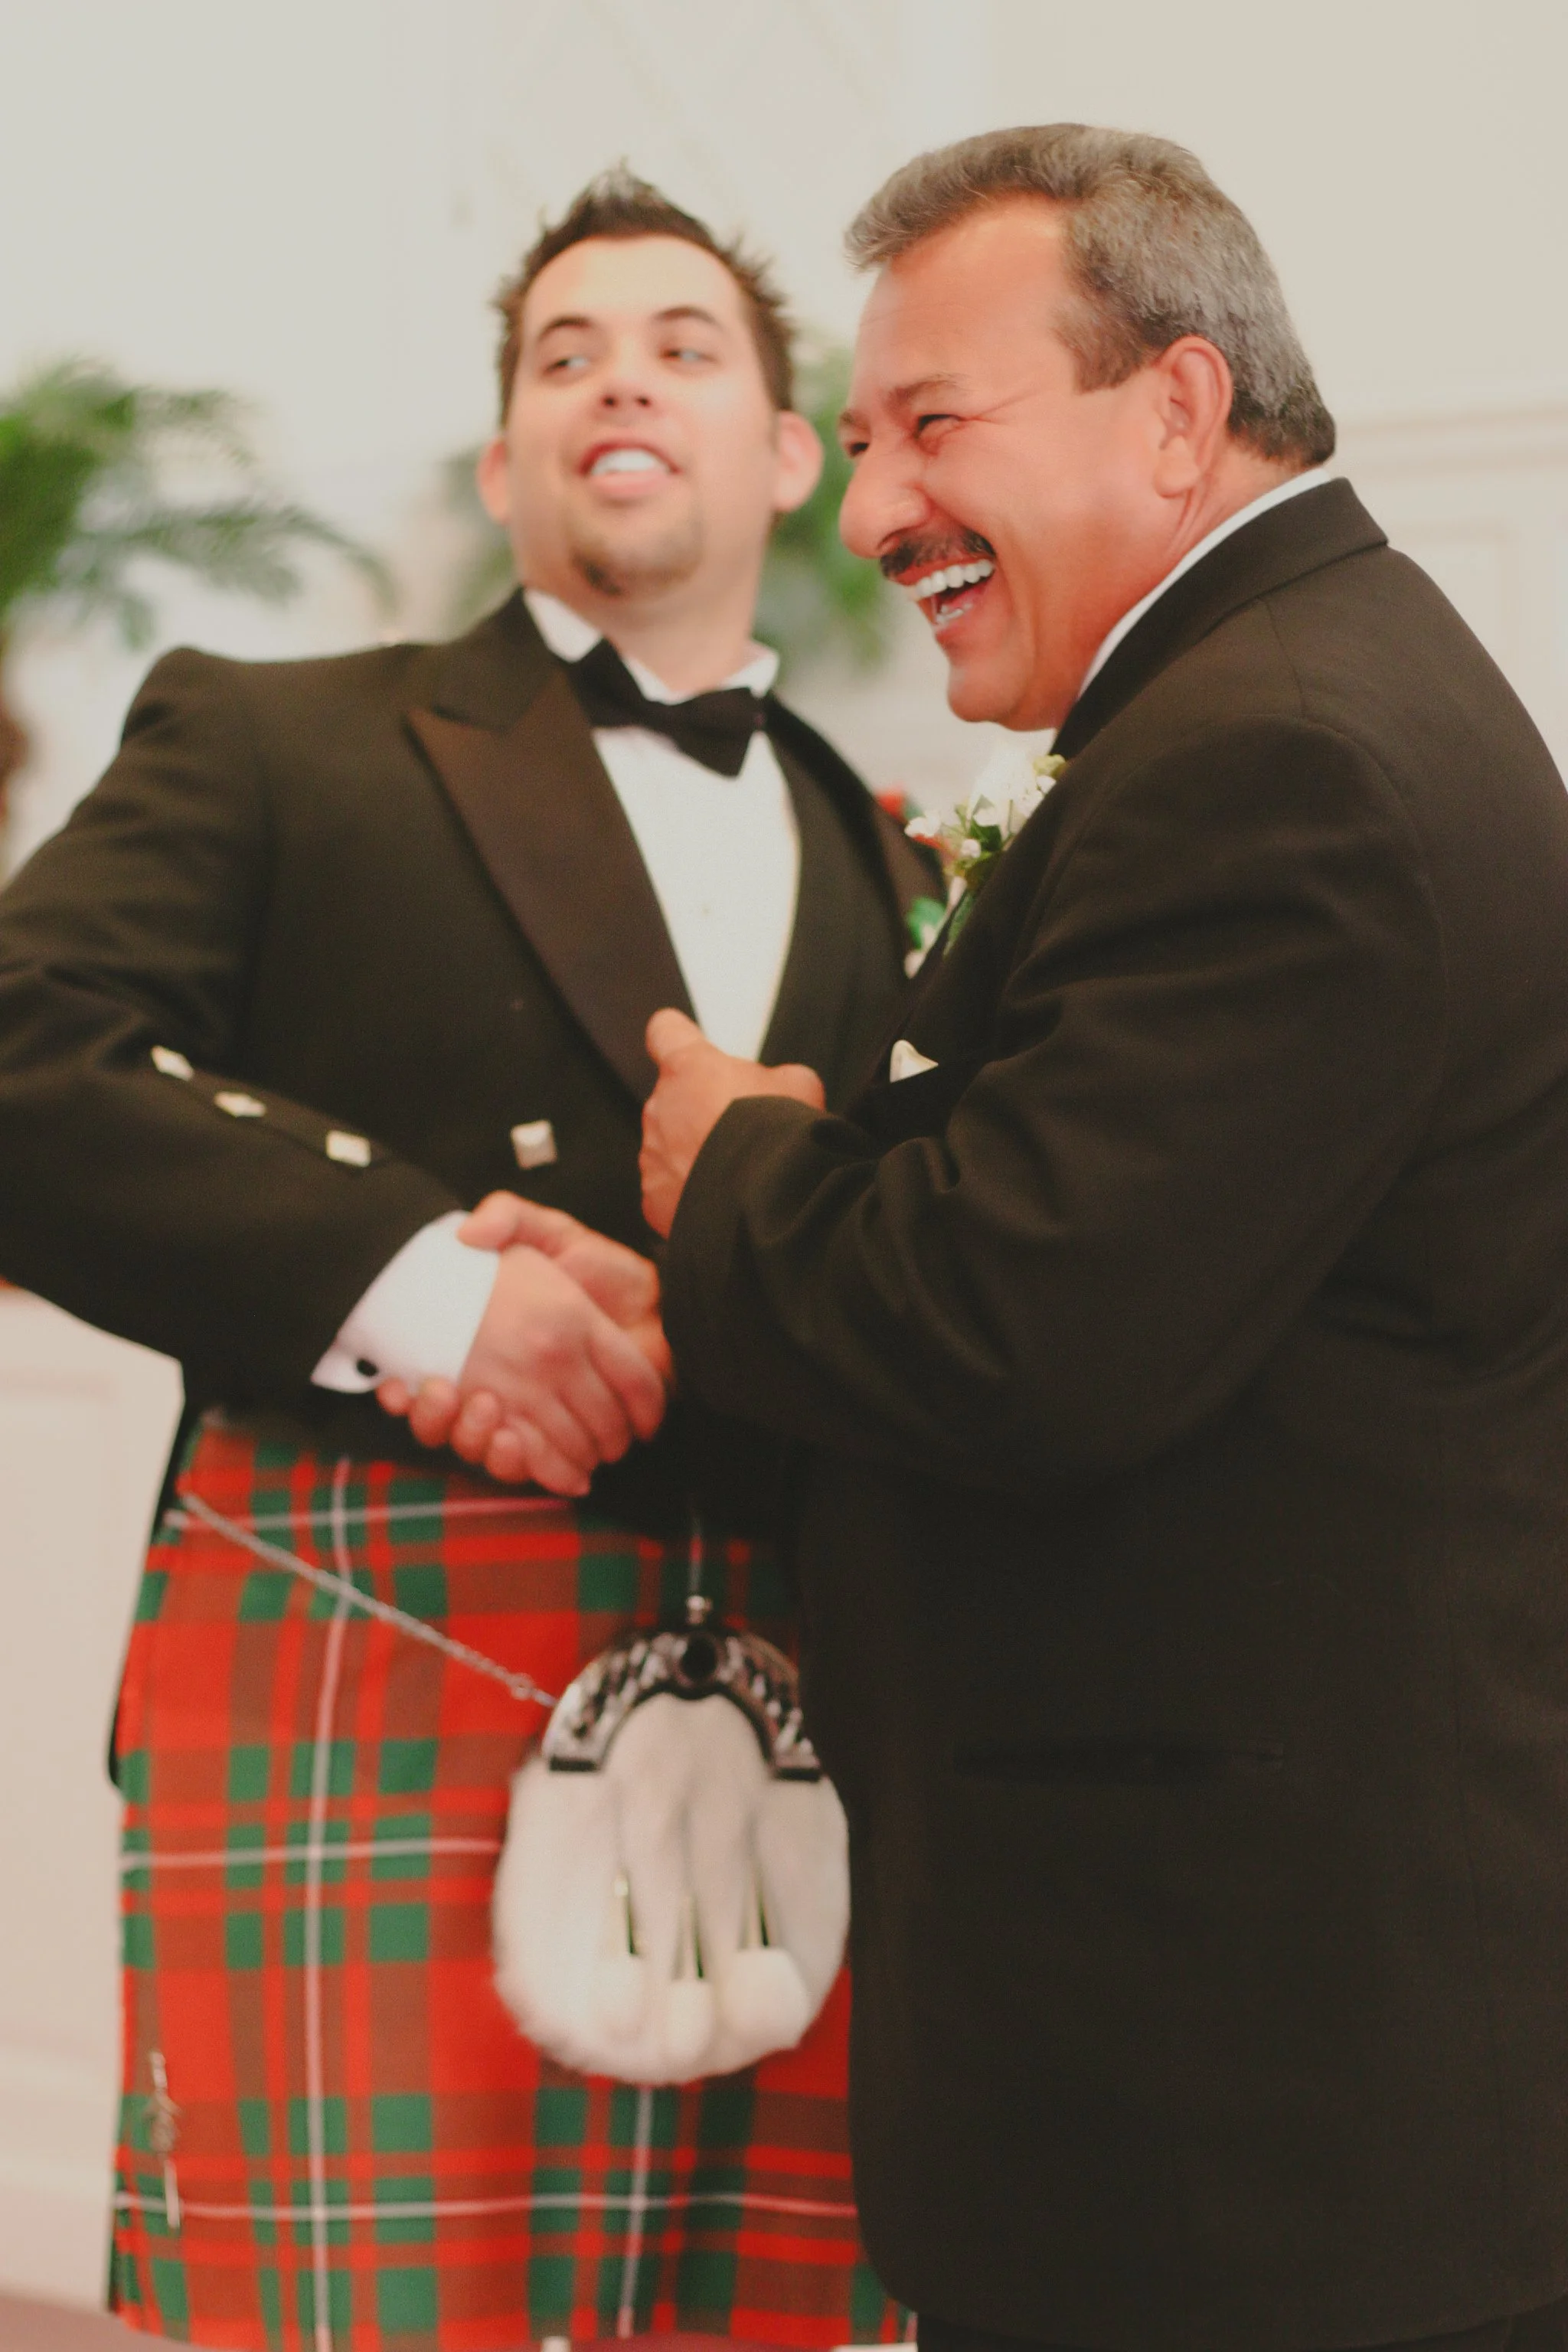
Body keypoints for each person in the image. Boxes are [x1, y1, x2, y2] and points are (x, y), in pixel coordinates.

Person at [624, 126, 1568, 2352]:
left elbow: (1013, 1333)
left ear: (1175, 404)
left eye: (935, 427)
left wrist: (732, 1176)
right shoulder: (1271, 697)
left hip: (1247, 2101)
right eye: (861, 446)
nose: (869, 517)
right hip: (1232, 2043)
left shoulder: (1288, 757)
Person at [0, 169, 929, 2350]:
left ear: (792, 457)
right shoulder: (274, 734)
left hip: (799, 1665)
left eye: (689, 346)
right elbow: (20, 1058)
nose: (626, 378)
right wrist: (431, 1285)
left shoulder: (888, 842)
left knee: (748, 2322)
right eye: (566, 353)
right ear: (507, 458)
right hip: (378, 1623)